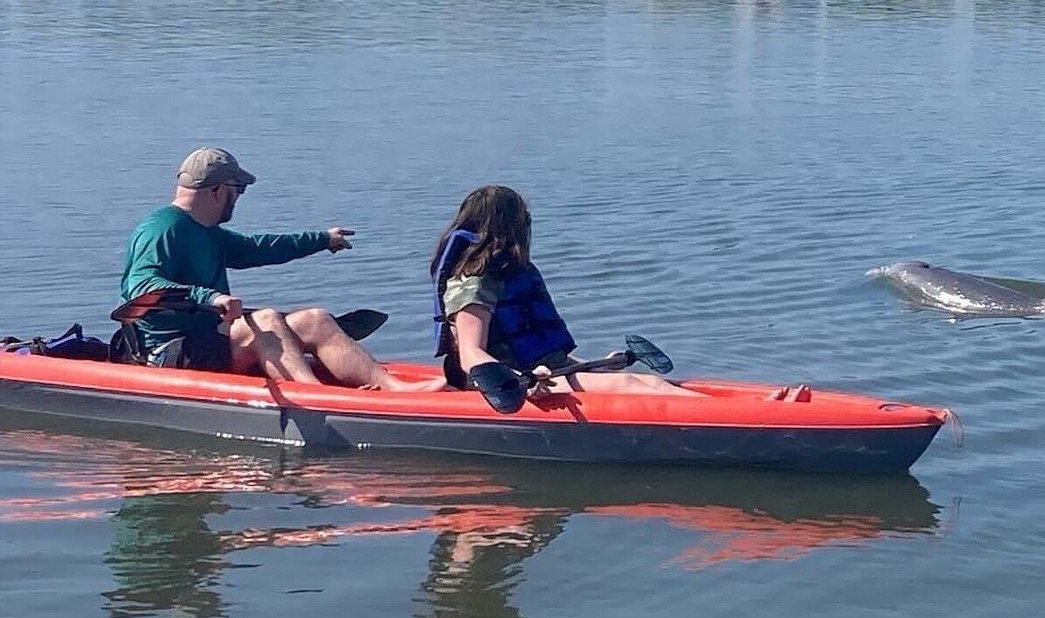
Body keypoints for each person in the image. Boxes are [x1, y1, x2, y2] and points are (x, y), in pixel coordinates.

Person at [122, 147, 441, 392]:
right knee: (267, 319)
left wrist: (322, 240)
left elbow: (258, 248)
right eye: (238, 191)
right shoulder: (161, 229)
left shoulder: (206, 232)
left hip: (211, 339)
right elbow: (140, 286)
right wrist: (210, 297)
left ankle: (393, 388)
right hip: (168, 351)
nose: (238, 199)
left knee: (315, 320)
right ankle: (315, 398)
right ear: (218, 191)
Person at [430, 184, 690, 397]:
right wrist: (522, 382)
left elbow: (545, 357)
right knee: (629, 387)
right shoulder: (473, 283)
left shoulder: (509, 272)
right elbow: (470, 355)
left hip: (543, 372)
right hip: (503, 387)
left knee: (649, 383)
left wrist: (594, 366)